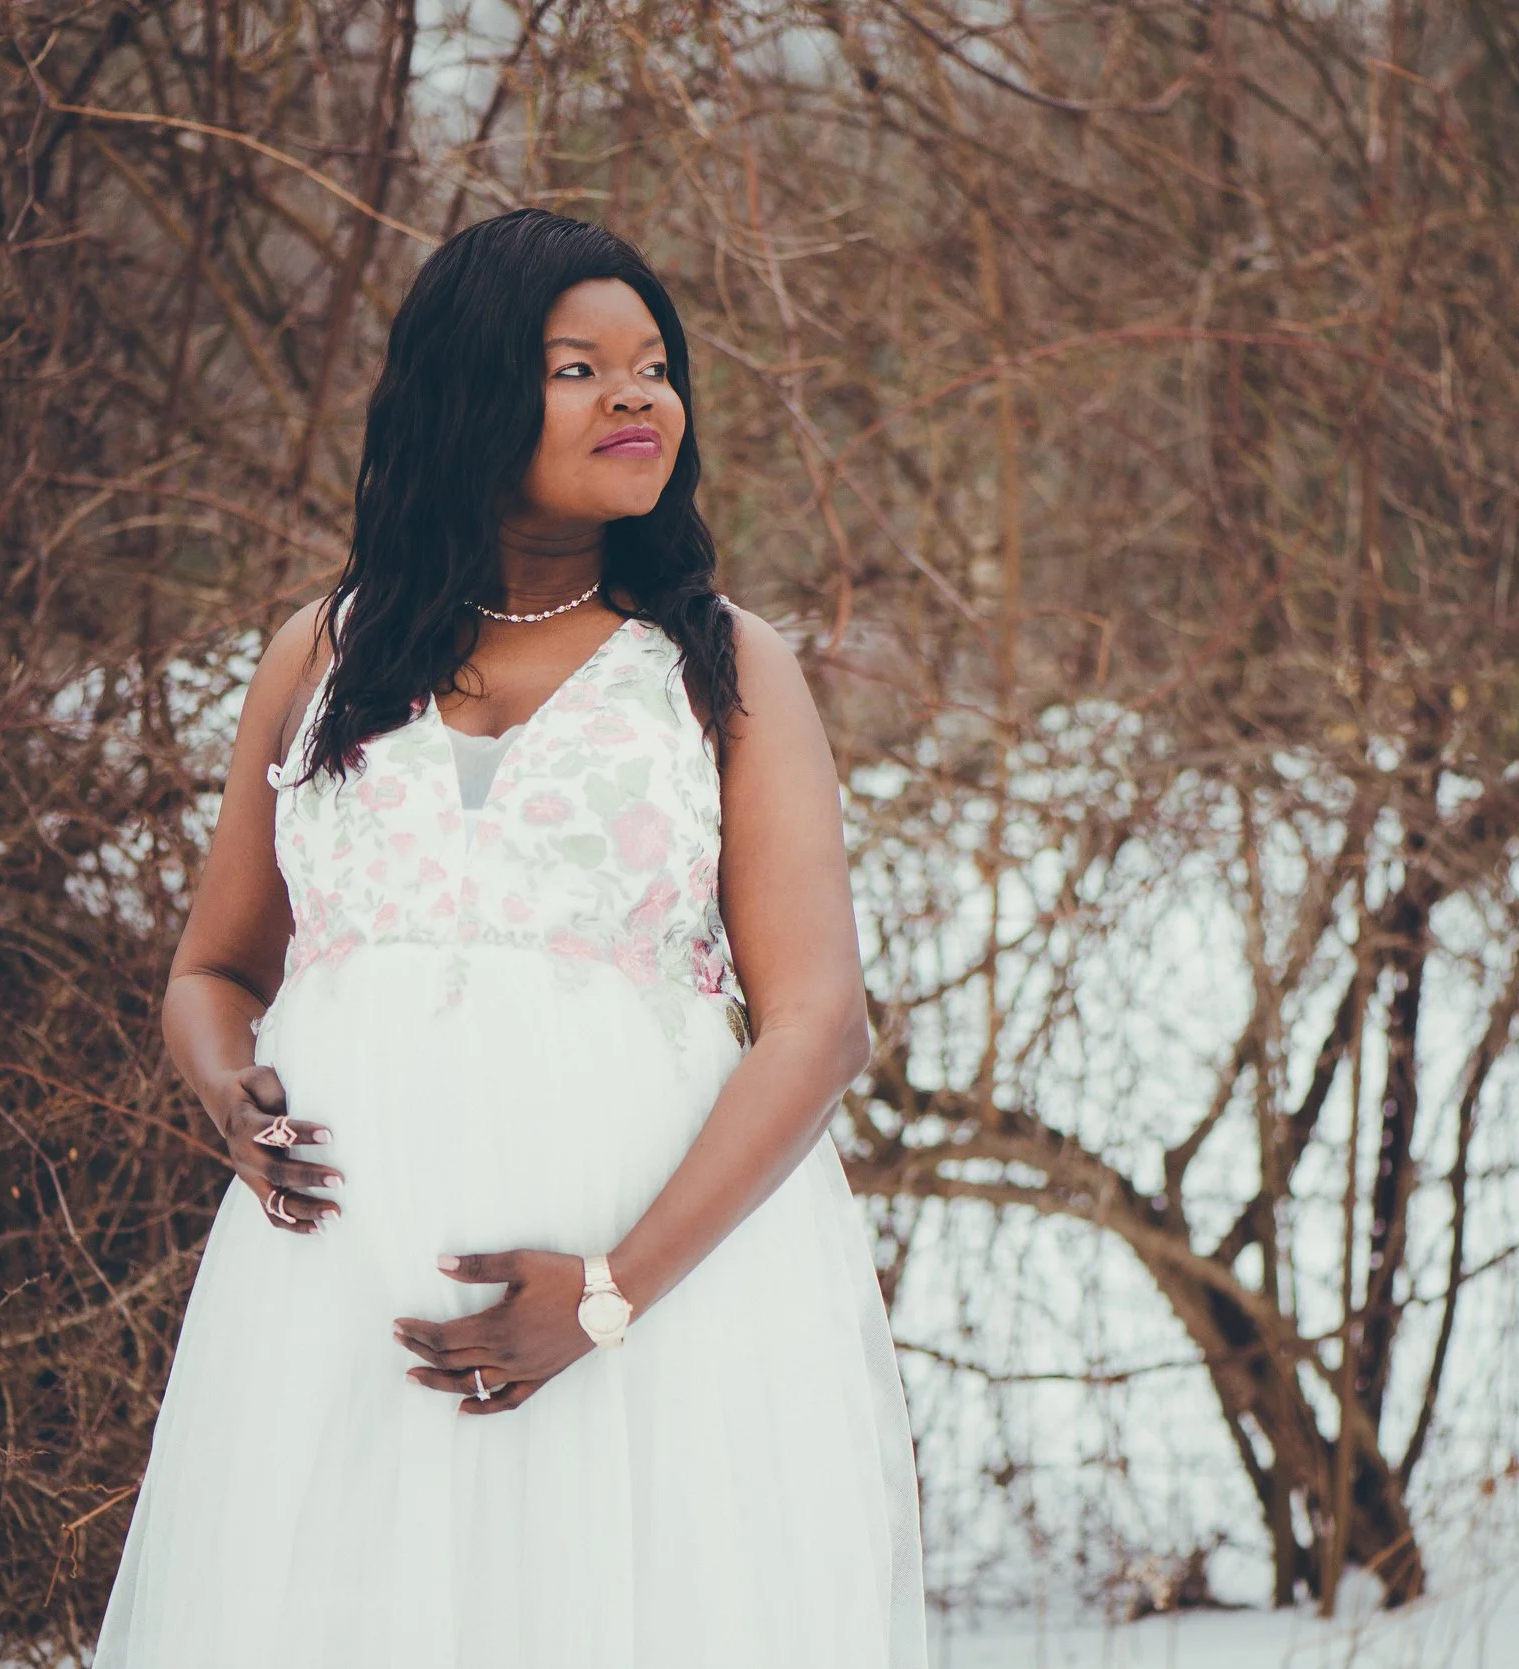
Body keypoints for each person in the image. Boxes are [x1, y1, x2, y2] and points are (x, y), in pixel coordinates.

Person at [90, 210, 926, 1667]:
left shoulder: (723, 668)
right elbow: (214, 970)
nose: (637, 397)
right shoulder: (325, 654)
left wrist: (607, 1297)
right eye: (578, 368)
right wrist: (231, 1097)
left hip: (654, 1310)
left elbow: (818, 1024)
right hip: (340, 1308)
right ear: (469, 392)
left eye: (655, 366)